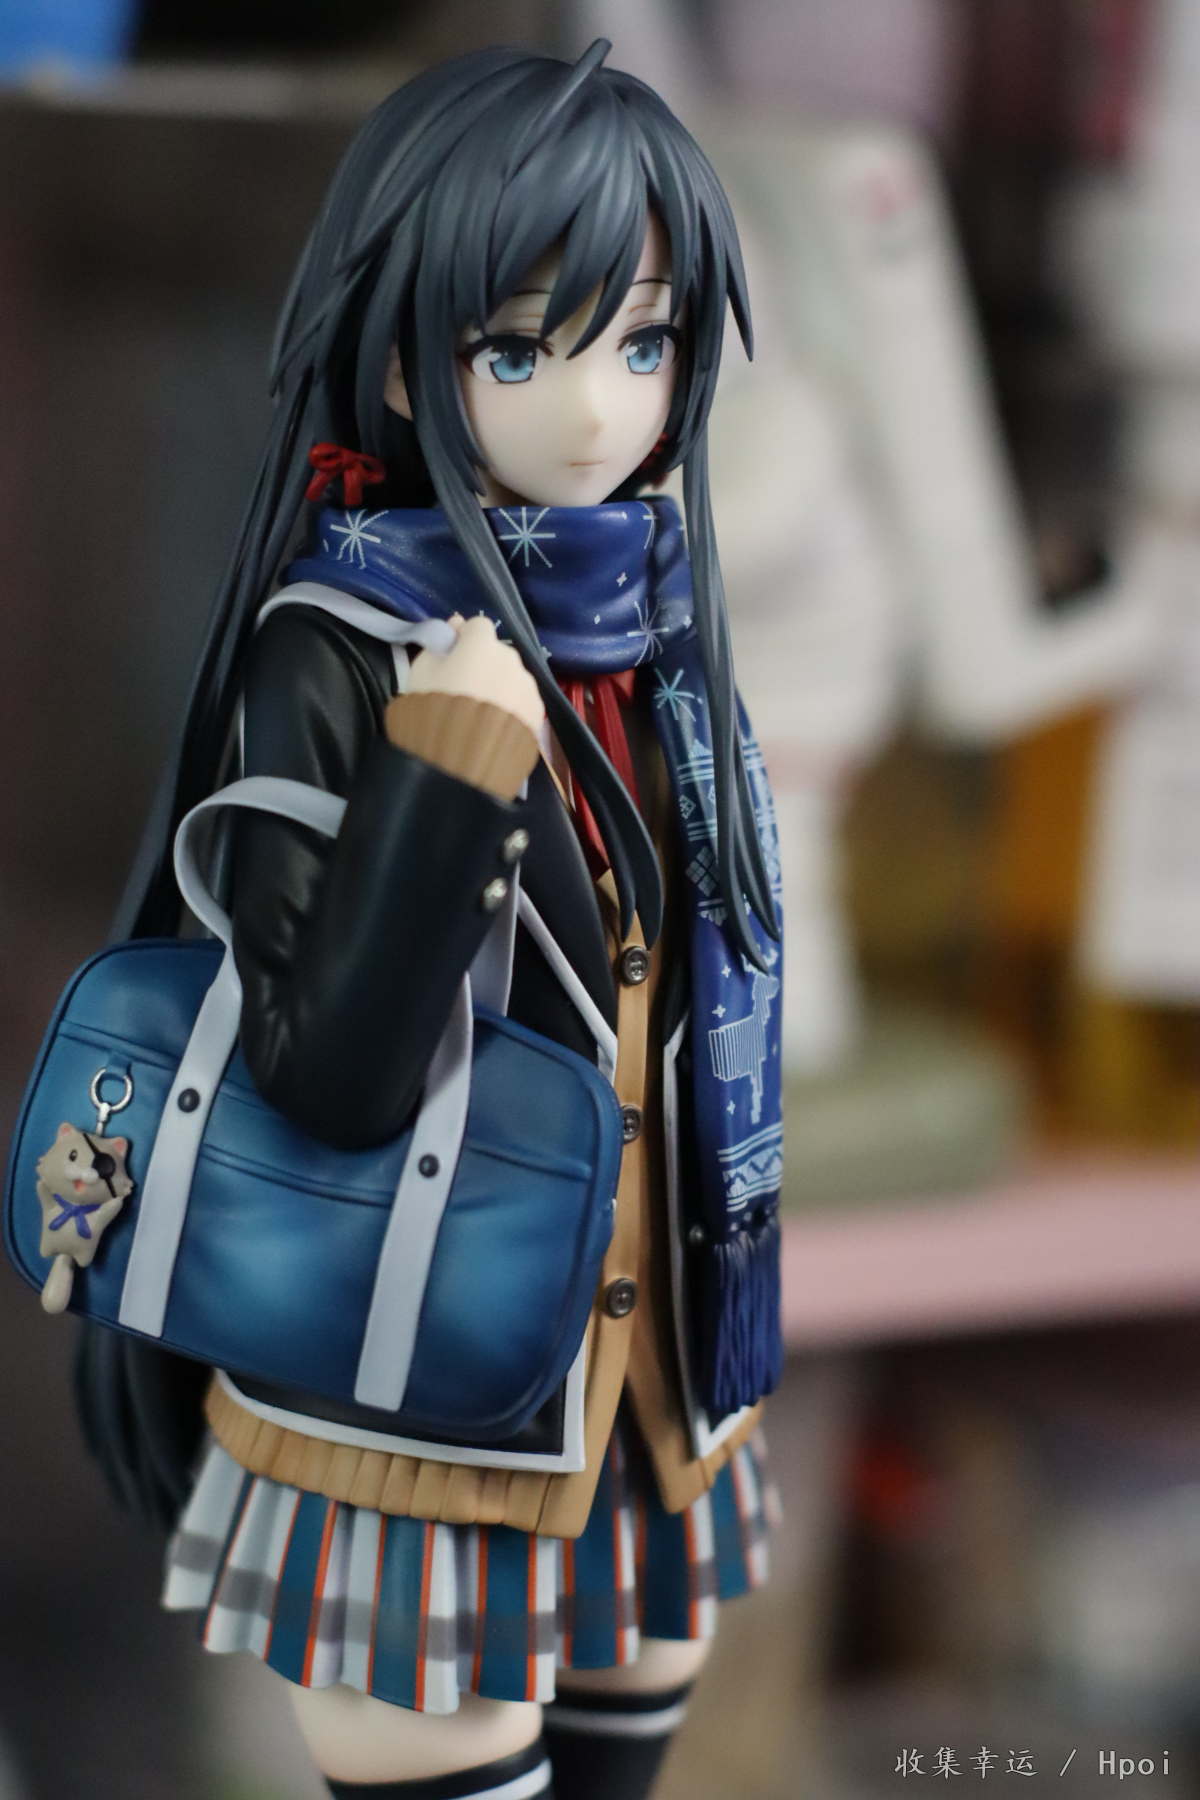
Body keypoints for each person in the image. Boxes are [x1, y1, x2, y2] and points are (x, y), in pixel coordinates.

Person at [76, 40, 784, 1800]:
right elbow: (325, 1075)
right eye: (519, 350)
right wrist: (444, 782)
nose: (596, 412)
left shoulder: (657, 620)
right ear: (405, 357)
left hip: (649, 1378)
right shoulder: (340, 643)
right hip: (418, 1392)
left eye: (643, 343)